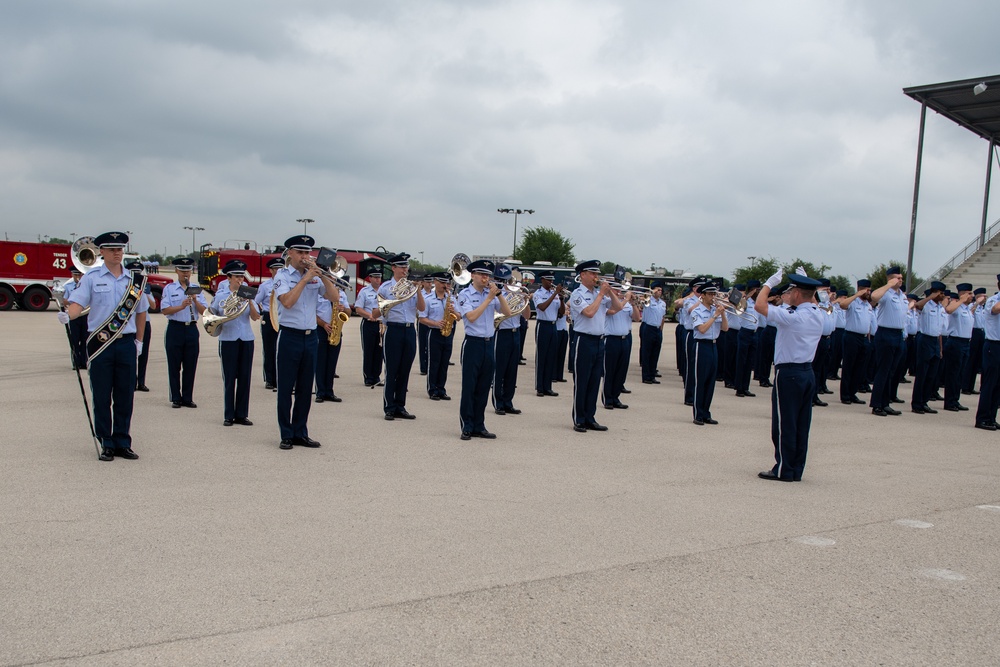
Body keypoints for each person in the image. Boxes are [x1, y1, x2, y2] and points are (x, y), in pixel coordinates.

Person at [58, 231, 148, 461]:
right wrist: (68, 315)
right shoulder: (92, 277)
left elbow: (141, 312)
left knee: (125, 394)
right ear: (102, 252)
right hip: (101, 344)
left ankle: (122, 441)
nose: (117, 253)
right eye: (112, 249)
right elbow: (78, 304)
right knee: (101, 395)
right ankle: (106, 442)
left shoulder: (134, 280)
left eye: (120, 249)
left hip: (127, 343)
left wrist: (139, 341)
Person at [754, 271, 825, 482]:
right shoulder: (817, 313)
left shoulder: (793, 317)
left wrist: (769, 283)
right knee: (802, 424)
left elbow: (760, 306)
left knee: (785, 423)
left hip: (789, 374)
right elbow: (809, 297)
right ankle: (796, 469)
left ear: (796, 293)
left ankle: (783, 469)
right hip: (807, 372)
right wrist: (806, 285)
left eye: (792, 290)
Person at [273, 235, 339, 449]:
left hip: (310, 337)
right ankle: (286, 433)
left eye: (307, 253)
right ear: (290, 253)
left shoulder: (315, 276)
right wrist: (305, 278)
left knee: (304, 388)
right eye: (300, 252)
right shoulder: (282, 276)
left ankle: (300, 431)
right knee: (285, 387)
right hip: (289, 335)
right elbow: (288, 302)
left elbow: (334, 297)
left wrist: (323, 275)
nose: (304, 257)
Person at [456, 260, 511, 440]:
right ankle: (467, 425)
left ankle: (479, 425)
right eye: (481, 274)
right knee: (470, 387)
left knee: (484, 387)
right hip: (473, 343)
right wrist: (488, 299)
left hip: (489, 343)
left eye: (487, 275)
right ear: (473, 275)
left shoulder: (492, 294)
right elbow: (471, 317)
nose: (485, 278)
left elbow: (507, 312)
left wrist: (499, 294)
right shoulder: (465, 294)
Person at [569, 260, 622, 432]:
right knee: (582, 381)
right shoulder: (577, 294)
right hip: (584, 340)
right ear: (582, 275)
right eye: (592, 273)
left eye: (597, 274)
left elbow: (618, 307)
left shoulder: (599, 293)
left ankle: (590, 417)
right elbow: (589, 313)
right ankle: (579, 418)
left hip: (599, 341)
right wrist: (600, 295)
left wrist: (610, 292)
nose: (596, 277)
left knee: (594, 382)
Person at [210, 260, 260, 426]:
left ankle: (242, 414)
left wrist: (250, 301)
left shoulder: (249, 293)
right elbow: (213, 314)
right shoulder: (222, 296)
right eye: (237, 276)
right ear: (229, 277)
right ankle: (228, 415)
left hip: (246, 338)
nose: (240, 280)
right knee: (230, 377)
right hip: (228, 339)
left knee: (245, 378)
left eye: (242, 276)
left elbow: (255, 317)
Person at [379, 253, 424, 420]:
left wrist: (417, 289)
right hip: (393, 329)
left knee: (405, 370)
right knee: (392, 370)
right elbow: (377, 311)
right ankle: (389, 407)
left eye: (406, 267)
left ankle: (400, 405)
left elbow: (422, 308)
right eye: (401, 267)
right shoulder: (385, 288)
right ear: (393, 268)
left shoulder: (412, 287)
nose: (405, 270)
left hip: (409, 330)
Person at [160, 257, 208, 408]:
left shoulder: (196, 289)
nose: (185, 274)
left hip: (191, 328)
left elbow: (205, 311)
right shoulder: (169, 289)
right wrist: (181, 307)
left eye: (188, 270)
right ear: (176, 271)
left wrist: (195, 300)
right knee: (174, 365)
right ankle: (175, 397)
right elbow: (164, 310)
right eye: (182, 270)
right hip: (175, 328)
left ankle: (187, 397)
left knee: (190, 365)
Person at [868, 266, 907, 416]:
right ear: (891, 279)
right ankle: (877, 404)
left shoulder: (901, 295)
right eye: (898, 277)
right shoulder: (886, 293)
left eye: (902, 278)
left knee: (891, 371)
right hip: (885, 333)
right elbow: (874, 297)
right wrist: (889, 285)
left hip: (898, 335)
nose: (900, 280)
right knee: (883, 371)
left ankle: (885, 403)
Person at [689, 279, 727, 425]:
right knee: (700, 381)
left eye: (714, 294)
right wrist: (715, 315)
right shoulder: (697, 311)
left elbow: (725, 328)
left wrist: (722, 313)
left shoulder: (714, 310)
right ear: (703, 295)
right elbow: (702, 329)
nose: (713, 297)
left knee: (711, 381)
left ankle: (706, 413)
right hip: (701, 345)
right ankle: (698, 414)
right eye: (710, 294)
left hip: (713, 346)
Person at [419, 272, 457, 401]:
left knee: (444, 363)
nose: (444, 285)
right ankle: (432, 389)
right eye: (441, 282)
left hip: (448, 333)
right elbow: (422, 319)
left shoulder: (451, 298)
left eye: (446, 283)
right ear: (435, 282)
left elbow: (460, 316)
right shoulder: (428, 299)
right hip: (434, 332)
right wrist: (435, 323)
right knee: (434, 363)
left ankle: (441, 389)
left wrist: (454, 312)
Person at [492, 265, 523, 415]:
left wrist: (526, 300)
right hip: (502, 332)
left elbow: (528, 316)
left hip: (515, 333)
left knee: (512, 370)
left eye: (507, 280)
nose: (505, 282)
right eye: (501, 279)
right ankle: (498, 402)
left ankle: (508, 401)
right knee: (500, 369)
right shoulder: (496, 295)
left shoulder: (516, 294)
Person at [911, 281, 946, 414]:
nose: (942, 296)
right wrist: (931, 296)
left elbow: (940, 331)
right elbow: (917, 305)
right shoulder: (926, 304)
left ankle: (924, 401)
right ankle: (916, 403)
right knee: (922, 374)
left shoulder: (940, 308)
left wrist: (941, 349)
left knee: (932, 375)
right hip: (924, 339)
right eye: (940, 293)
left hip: (935, 341)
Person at [603, 284, 639, 409]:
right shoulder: (606, 302)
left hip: (625, 339)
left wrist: (633, 303)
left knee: (621, 370)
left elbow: (637, 318)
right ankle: (607, 398)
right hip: (611, 339)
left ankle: (615, 397)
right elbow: (613, 311)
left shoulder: (627, 303)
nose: (618, 291)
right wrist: (626, 299)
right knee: (609, 370)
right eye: (615, 289)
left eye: (619, 289)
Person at [839, 280, 872, 406]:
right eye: (867, 290)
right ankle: (845, 394)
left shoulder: (868, 305)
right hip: (851, 337)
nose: (869, 292)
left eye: (869, 290)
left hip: (863, 338)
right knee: (849, 366)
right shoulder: (853, 302)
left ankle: (853, 393)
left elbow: (867, 323)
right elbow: (842, 305)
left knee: (860, 368)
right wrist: (857, 295)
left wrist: (868, 338)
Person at [315, 284, 350, 404]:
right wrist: (323, 324)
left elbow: (349, 312)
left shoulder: (341, 294)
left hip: (336, 329)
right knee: (320, 362)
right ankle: (320, 392)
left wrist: (343, 309)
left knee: (331, 363)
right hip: (320, 329)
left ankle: (329, 391)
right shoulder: (318, 291)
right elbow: (311, 312)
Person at [942, 283, 974, 412]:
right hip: (955, 342)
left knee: (960, 373)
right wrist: (960, 299)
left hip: (966, 343)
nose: (972, 296)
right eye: (969, 293)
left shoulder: (967, 309)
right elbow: (948, 310)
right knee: (953, 373)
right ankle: (949, 401)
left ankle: (955, 399)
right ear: (963, 293)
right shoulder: (957, 306)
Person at [254, 256, 284, 391]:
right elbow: (256, 301)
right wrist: (259, 312)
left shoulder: (286, 283)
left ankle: (281, 378)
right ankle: (270, 379)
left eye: (280, 268)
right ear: (271, 271)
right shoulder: (265, 286)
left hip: (282, 316)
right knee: (269, 349)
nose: (278, 271)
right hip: (268, 315)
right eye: (276, 269)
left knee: (282, 350)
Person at [125, 260, 156, 392]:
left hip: (145, 323)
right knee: (129, 355)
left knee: (143, 353)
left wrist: (144, 293)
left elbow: (154, 306)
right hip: (129, 324)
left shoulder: (146, 287)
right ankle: (131, 381)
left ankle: (141, 382)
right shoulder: (125, 285)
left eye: (139, 273)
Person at [975, 275, 1000, 430]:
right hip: (993, 346)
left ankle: (991, 417)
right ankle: (982, 418)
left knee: (998, 385)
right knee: (989, 383)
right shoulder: (993, 300)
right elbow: (995, 310)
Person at [355, 265, 385, 387]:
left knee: (379, 352)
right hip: (369, 323)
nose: (378, 280)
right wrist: (369, 315)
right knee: (368, 351)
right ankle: (368, 376)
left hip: (381, 324)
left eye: (379, 277)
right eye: (375, 277)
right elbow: (358, 308)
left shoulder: (384, 291)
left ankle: (376, 375)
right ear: (370, 278)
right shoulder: (364, 292)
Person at [532, 271, 560, 395]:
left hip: (553, 326)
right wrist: (555, 293)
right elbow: (542, 307)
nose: (551, 282)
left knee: (551, 357)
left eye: (552, 280)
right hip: (542, 325)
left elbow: (561, 312)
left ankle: (547, 386)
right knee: (542, 356)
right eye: (548, 280)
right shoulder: (538, 294)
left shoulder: (555, 295)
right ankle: (539, 387)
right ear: (542, 280)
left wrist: (562, 299)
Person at [735, 281, 760, 398]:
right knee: (742, 361)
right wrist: (745, 296)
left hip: (754, 333)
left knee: (749, 362)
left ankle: (746, 387)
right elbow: (736, 305)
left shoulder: (757, 303)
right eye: (757, 290)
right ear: (753, 290)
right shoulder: (744, 301)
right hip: (745, 332)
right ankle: (739, 387)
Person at [61, 267, 89, 370]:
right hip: (73, 315)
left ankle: (84, 361)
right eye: (75, 275)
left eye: (79, 274)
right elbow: (64, 301)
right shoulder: (68, 286)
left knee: (85, 338)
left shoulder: (86, 286)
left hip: (85, 314)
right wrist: (75, 301)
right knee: (74, 340)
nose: (77, 277)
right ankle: (76, 362)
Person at [639, 282, 666, 384]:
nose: (659, 292)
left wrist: (661, 329)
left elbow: (662, 317)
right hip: (648, 327)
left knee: (655, 353)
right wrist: (650, 293)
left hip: (657, 329)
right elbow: (642, 300)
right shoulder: (648, 300)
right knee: (647, 353)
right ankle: (646, 376)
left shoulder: (663, 303)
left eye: (660, 290)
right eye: (657, 290)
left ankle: (652, 374)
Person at [964, 288, 988, 395]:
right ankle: (965, 386)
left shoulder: (984, 308)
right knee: (971, 360)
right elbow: (970, 313)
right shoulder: (972, 306)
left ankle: (971, 386)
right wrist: (977, 304)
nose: (985, 298)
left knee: (977, 361)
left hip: (982, 333)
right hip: (974, 332)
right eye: (983, 296)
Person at [417, 274, 434, 376]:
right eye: (427, 282)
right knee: (423, 344)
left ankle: (429, 366)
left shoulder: (434, 293)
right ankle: (423, 367)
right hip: (422, 321)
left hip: (432, 321)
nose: (429, 283)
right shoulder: (420, 293)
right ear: (422, 283)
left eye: (430, 282)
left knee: (431, 345)